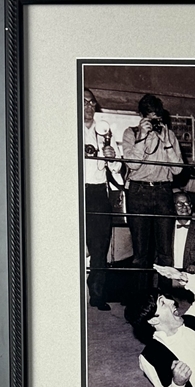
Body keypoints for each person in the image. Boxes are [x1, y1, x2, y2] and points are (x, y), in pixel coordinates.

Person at [121, 94, 184, 292]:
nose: (154, 122)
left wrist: (166, 143)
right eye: (150, 118)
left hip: (163, 192)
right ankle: (141, 299)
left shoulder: (169, 135)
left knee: (165, 251)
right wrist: (142, 136)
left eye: (157, 118)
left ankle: (165, 296)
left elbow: (178, 170)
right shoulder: (131, 133)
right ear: (141, 116)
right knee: (141, 252)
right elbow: (132, 164)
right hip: (138, 192)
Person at [83, 88, 121, 310]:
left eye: (92, 102)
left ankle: (97, 294)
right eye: (84, 102)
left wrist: (112, 158)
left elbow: (116, 166)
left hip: (97, 191)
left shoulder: (103, 130)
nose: (89, 106)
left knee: (99, 246)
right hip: (71, 189)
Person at [171, 191, 195, 274]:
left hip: (190, 276)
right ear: (172, 207)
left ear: (191, 206)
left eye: (187, 203)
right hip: (168, 275)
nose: (184, 207)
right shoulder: (166, 228)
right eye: (179, 204)